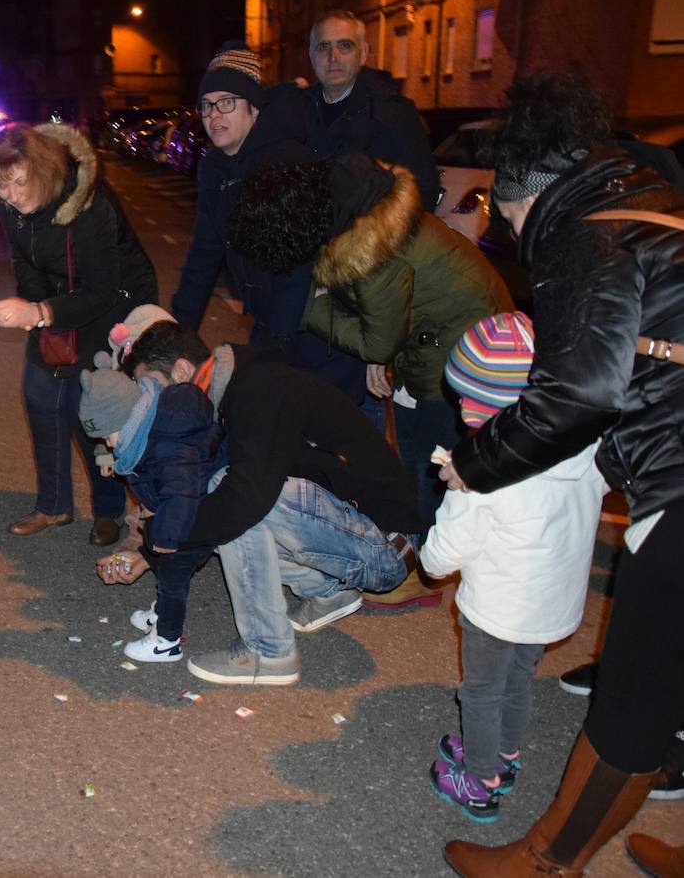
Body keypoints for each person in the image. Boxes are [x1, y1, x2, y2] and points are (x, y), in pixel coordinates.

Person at [438, 72, 684, 877]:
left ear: (523, 197)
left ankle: (548, 862)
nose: (508, 234)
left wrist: (474, 467)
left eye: (503, 219)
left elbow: (578, 390)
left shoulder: (589, 233)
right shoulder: (659, 206)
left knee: (636, 701)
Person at [234, 153, 510, 607]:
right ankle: (420, 549)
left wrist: (311, 307)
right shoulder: (360, 207)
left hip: (460, 353)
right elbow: (392, 309)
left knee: (428, 464)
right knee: (415, 459)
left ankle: (421, 575)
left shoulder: (368, 250)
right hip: (440, 336)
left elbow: (377, 340)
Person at [104, 322, 422, 686]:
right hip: (356, 531)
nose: (149, 407)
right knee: (220, 501)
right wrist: (154, 547)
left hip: (384, 548)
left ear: (181, 371)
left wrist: (157, 536)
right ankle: (327, 592)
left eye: (153, 390)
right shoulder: (228, 392)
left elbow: (242, 504)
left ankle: (268, 652)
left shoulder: (260, 390)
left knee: (231, 497)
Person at [420, 312, 609, 824]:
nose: (462, 409)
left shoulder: (479, 471)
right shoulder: (586, 447)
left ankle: (480, 780)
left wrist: (431, 542)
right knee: (519, 677)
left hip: (497, 608)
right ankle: (504, 752)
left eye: (468, 400)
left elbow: (443, 557)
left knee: (480, 689)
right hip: (553, 603)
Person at [0, 123, 158, 546]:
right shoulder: (11, 208)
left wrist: (40, 312)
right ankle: (54, 505)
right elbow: (25, 264)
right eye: (3, 186)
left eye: (21, 182)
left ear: (42, 172)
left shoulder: (89, 207)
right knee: (41, 395)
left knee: (89, 409)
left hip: (114, 304)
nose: (13, 195)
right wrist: (33, 310)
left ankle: (109, 509)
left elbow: (102, 290)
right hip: (59, 301)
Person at [167, 40, 366, 400]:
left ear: (254, 109)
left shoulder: (285, 164)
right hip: (272, 320)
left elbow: (298, 269)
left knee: (325, 437)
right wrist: (176, 340)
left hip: (321, 331)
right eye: (207, 105)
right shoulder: (215, 167)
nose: (214, 115)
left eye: (227, 102)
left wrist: (275, 349)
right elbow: (203, 256)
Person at [78, 353, 224, 662]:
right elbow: (146, 469)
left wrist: (166, 540)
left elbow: (180, 491)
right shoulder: (144, 425)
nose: (109, 443)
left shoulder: (169, 443)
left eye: (108, 435)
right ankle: (161, 613)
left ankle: (167, 641)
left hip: (200, 514)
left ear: (125, 418)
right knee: (156, 549)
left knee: (172, 573)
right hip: (184, 512)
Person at [297, 10, 440, 211]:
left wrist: (373, 235)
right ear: (311, 56)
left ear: (363, 54)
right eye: (323, 47)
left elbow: (422, 192)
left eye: (345, 46)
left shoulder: (394, 116)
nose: (333, 57)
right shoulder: (295, 111)